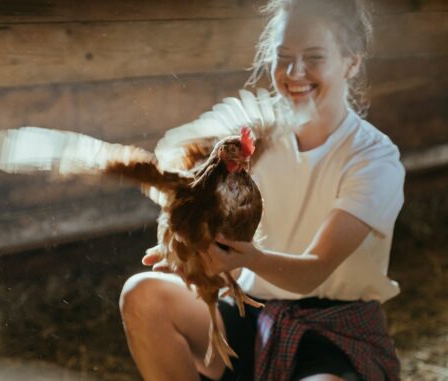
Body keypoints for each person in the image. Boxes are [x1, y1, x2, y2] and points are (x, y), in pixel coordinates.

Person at [119, 0, 405, 380]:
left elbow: (313, 272)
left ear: (351, 62)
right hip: (250, 310)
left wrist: (243, 258)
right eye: (283, 56)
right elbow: (181, 162)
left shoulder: (373, 158)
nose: (294, 72)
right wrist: (193, 251)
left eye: (314, 57)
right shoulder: (252, 138)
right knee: (143, 296)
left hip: (334, 328)